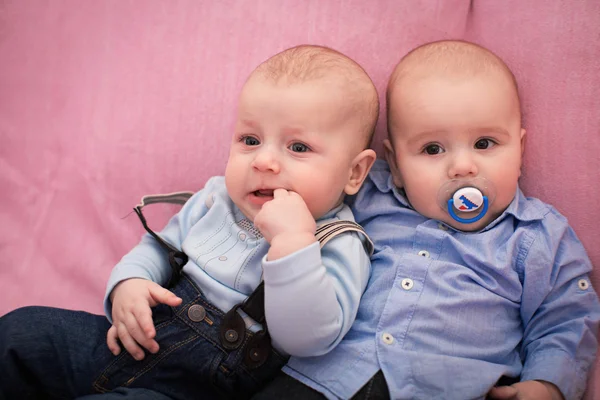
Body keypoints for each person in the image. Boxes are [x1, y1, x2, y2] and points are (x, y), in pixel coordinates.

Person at [0, 44, 379, 400]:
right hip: (133, 339)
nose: (263, 161)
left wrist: (293, 242)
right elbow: (159, 248)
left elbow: (308, 339)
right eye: (249, 140)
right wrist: (129, 283)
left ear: (354, 172)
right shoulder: (216, 197)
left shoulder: (339, 240)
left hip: (193, 388)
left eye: (298, 147)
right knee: (23, 332)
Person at [253, 40, 600, 400]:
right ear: (397, 166)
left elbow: (566, 320)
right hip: (319, 381)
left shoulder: (535, 236)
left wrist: (547, 385)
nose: (463, 166)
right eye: (432, 149)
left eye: (485, 143)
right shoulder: (366, 195)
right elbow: (301, 187)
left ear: (520, 151)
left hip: (444, 389)